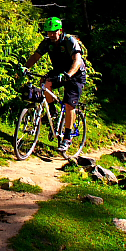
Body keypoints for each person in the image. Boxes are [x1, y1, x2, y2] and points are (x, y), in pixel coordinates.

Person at [23, 16, 87, 152]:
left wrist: (68, 75)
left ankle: (67, 138)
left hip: (75, 74)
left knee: (70, 104)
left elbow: (77, 61)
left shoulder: (70, 41)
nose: (51, 34)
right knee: (45, 83)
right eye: (48, 32)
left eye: (54, 31)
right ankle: (52, 110)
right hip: (59, 71)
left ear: (60, 30)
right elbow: (35, 56)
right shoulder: (47, 43)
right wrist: (26, 67)